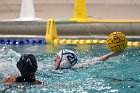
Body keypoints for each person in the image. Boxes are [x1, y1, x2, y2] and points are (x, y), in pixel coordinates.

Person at [54, 49, 120, 70]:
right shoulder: (75, 67)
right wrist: (109, 55)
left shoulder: (54, 72)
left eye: (57, 57)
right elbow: (93, 61)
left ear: (64, 62)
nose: (54, 59)